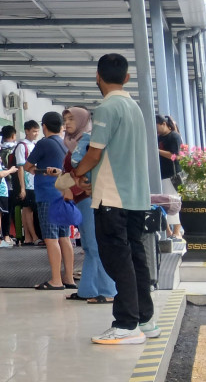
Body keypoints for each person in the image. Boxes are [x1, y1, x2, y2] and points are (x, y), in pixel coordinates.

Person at [71, 54, 159, 345]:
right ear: (127, 78)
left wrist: (77, 174)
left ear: (98, 77)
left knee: (117, 260)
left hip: (112, 197)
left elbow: (95, 153)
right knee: (136, 258)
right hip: (135, 196)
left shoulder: (107, 107)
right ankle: (145, 319)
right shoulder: (134, 107)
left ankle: (126, 324)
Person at [63, 107, 115, 304]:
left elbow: (92, 167)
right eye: (65, 120)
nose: (67, 123)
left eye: (71, 119)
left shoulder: (87, 142)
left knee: (95, 245)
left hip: (88, 198)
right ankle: (88, 289)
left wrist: (75, 181)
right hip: (81, 199)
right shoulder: (74, 143)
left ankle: (108, 289)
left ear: (82, 120)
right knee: (89, 246)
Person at [26, 112, 75, 290]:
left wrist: (39, 170)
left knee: (50, 238)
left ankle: (56, 280)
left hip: (47, 194)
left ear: (44, 126)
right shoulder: (65, 143)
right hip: (63, 194)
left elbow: (27, 166)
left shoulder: (44, 143)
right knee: (65, 237)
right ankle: (68, 278)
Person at [15, 120, 41, 246]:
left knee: (27, 209)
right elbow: (20, 167)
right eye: (34, 131)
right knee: (28, 209)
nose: (36, 134)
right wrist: (23, 188)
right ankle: (33, 236)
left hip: (33, 182)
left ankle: (29, 237)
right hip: (28, 183)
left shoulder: (33, 145)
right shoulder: (22, 146)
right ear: (27, 131)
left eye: (37, 131)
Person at [157, 115, 183, 237]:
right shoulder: (158, 138)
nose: (156, 130)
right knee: (162, 204)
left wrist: (157, 151)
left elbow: (175, 156)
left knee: (175, 202)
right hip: (161, 175)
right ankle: (168, 231)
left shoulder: (174, 136)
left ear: (163, 123)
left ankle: (176, 232)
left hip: (172, 175)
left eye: (157, 126)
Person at [0, 125, 21, 242]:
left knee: (4, 211)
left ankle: (5, 235)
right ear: (13, 136)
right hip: (12, 184)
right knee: (10, 210)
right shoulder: (14, 149)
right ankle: (9, 235)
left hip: (1, 185)